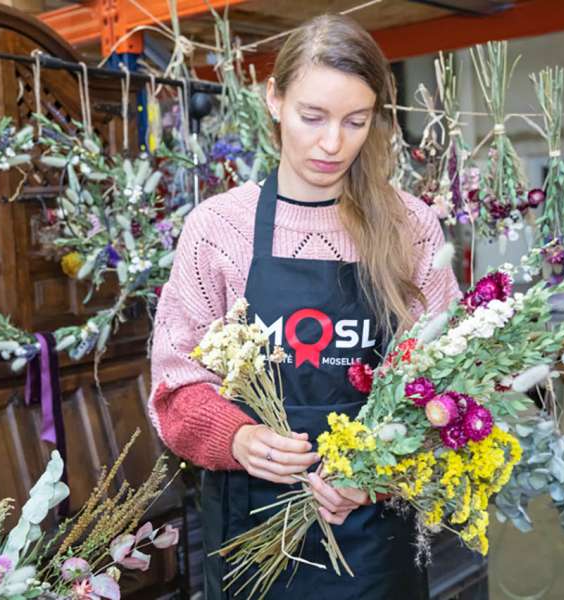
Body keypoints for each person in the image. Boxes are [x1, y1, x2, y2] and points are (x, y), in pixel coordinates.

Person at [148, 13, 461, 599]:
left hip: (375, 539)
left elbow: (450, 386)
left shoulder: (409, 225)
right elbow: (175, 388)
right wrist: (236, 437)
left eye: (355, 121)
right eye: (312, 116)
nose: (332, 143)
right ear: (274, 99)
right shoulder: (220, 229)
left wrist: (377, 474)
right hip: (250, 534)